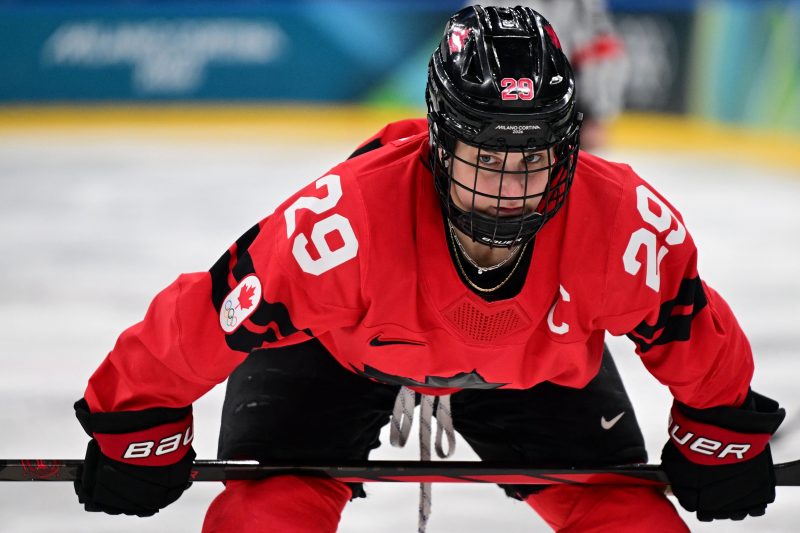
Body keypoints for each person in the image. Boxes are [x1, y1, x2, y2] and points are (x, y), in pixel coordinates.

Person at [73, 6, 784, 533]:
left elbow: (694, 331)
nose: (509, 187)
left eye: (533, 157)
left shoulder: (622, 222)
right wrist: (135, 419)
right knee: (267, 517)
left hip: (534, 372)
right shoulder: (345, 224)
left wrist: (721, 430)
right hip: (335, 358)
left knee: (630, 521)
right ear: (441, 144)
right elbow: (209, 313)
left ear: (567, 149)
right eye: (486, 156)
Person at [465, 0, 628, 151]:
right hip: (492, 106)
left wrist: (594, 114)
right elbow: (468, 49)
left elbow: (601, 49)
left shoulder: (580, 4)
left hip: (561, 109)